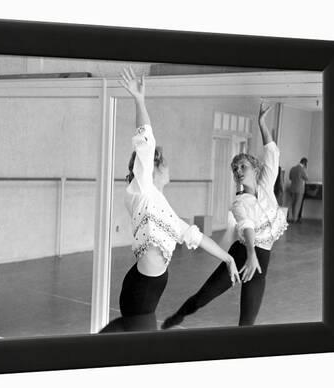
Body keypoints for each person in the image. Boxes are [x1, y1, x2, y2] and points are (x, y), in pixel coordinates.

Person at [99, 68, 240, 333]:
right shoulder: (142, 189)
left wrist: (228, 259)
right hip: (140, 291)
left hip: (147, 290)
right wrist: (139, 101)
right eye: (166, 163)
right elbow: (145, 143)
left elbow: (196, 237)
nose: (169, 167)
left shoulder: (163, 209)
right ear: (154, 169)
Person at [162, 102, 288, 329]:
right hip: (243, 254)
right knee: (204, 297)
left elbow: (272, 152)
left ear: (255, 168)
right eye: (235, 169)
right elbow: (247, 226)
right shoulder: (239, 202)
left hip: (261, 262)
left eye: (242, 167)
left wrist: (261, 123)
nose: (238, 172)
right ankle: (179, 315)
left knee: (247, 322)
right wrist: (250, 254)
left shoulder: (266, 186)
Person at [289, 158, 308, 223]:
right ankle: (295, 219)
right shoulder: (302, 170)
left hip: (292, 188)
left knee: (292, 203)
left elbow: (290, 178)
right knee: (297, 204)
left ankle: (290, 218)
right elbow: (306, 178)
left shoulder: (293, 168)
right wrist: (305, 170)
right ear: (305, 163)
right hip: (299, 190)